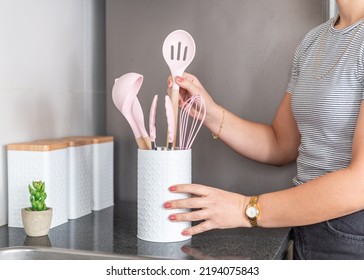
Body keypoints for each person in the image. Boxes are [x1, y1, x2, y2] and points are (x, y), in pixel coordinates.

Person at [164, 0, 364, 259]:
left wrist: (244, 209)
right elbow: (281, 144)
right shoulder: (313, 41)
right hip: (303, 222)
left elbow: (360, 184)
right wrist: (209, 112)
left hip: (353, 234)